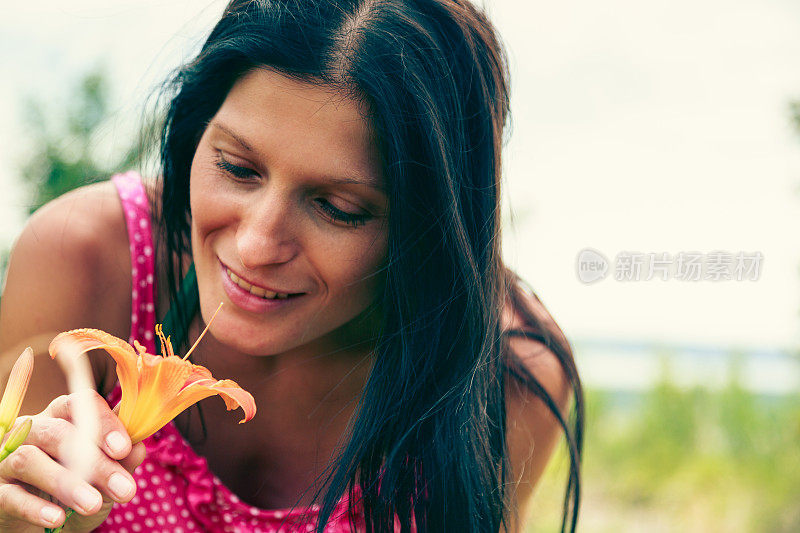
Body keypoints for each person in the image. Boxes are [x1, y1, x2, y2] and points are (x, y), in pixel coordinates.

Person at [0, 0, 584, 531]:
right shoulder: (89, 258)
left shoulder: (507, 376)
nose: (256, 245)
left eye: (339, 208)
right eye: (236, 167)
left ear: (429, 228)